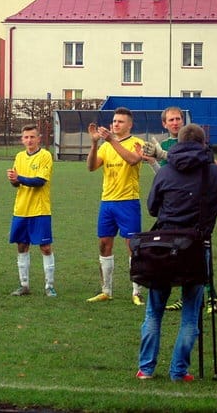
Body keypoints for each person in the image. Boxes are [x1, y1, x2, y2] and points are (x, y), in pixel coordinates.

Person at [137, 123, 217, 382]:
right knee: (191, 313)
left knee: (154, 311)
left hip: (164, 246)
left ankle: (146, 368)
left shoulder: (165, 173)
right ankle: (178, 371)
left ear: (177, 143)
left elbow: (153, 208)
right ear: (204, 144)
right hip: (197, 247)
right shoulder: (214, 172)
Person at [144, 107, 217, 313]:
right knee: (181, 255)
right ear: (164, 124)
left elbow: (211, 166)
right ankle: (187, 297)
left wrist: (161, 154)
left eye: (178, 118)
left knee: (200, 251)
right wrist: (153, 161)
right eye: (171, 120)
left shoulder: (195, 141)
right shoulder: (164, 144)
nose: (175, 123)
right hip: (176, 205)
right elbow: (165, 176)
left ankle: (212, 295)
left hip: (196, 206)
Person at [86, 107, 145, 305]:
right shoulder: (105, 146)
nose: (115, 124)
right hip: (107, 202)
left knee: (132, 247)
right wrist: (95, 144)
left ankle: (136, 292)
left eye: (120, 121)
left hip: (128, 201)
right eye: (114, 121)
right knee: (104, 244)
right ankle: (106, 290)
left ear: (130, 124)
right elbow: (91, 167)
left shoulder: (137, 142)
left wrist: (111, 140)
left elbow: (133, 160)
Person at [7, 125, 56, 297]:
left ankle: (49, 286)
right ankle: (24, 285)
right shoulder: (19, 157)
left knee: (45, 247)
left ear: (39, 138)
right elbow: (16, 184)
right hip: (21, 209)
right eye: (26, 137)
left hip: (40, 209)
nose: (29, 140)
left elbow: (39, 181)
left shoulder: (45, 156)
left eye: (32, 137)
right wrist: (13, 180)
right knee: (22, 245)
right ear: (22, 139)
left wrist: (18, 178)